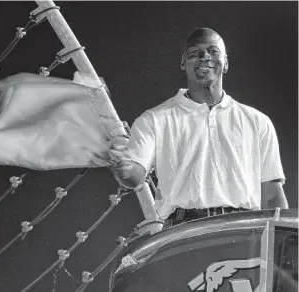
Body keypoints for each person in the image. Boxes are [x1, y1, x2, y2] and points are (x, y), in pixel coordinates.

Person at [109, 27, 289, 226]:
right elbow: (134, 176)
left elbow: (272, 197)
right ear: (183, 62)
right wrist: (122, 166)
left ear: (226, 63)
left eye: (213, 51)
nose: (205, 57)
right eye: (195, 52)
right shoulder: (154, 119)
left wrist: (286, 244)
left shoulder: (257, 122)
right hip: (182, 232)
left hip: (244, 232)